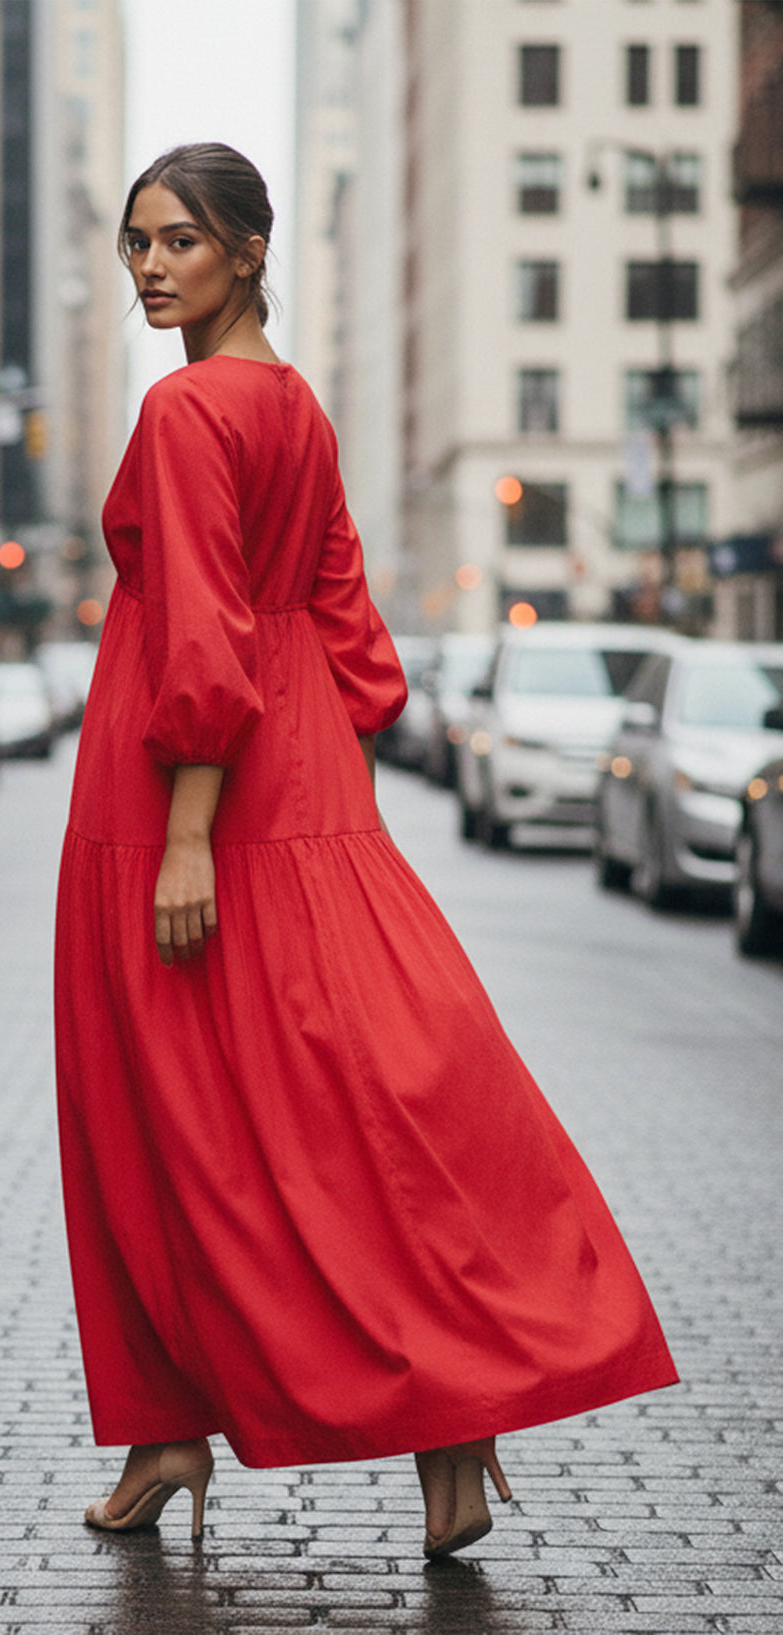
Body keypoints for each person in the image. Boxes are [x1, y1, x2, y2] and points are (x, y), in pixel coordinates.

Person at [54, 142, 677, 1560]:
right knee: (335, 1113)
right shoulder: (297, 408)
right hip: (296, 784)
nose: (150, 268)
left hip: (179, 801)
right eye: (134, 244)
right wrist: (307, 767)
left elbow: (203, 640)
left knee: (174, 1130)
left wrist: (191, 840)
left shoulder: (188, 411)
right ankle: (374, 1437)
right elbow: (349, 636)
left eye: (178, 243)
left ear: (248, 252)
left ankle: (187, 1427)